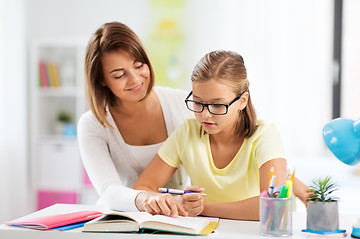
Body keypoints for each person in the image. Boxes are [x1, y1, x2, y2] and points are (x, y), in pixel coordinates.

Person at [133, 50, 308, 220]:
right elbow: (142, 186)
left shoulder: (265, 136)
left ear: (242, 101)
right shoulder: (187, 133)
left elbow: (271, 204)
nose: (205, 115)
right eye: (197, 102)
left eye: (217, 105)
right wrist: (172, 201)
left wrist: (204, 208)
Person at [77, 21, 193, 212]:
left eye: (139, 65)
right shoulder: (92, 124)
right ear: (101, 80)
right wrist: (145, 198)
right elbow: (108, 191)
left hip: (179, 218)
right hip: (123, 220)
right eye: (119, 75)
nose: (135, 79)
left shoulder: (184, 104)